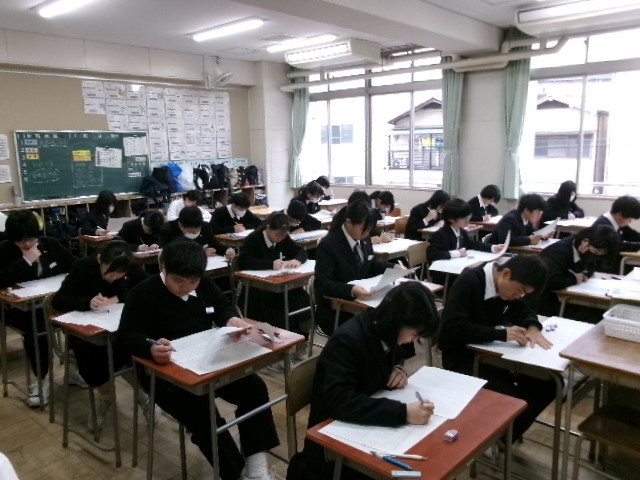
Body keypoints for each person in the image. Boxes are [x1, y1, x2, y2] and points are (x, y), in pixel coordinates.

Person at [117, 240, 279, 480]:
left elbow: (223, 306)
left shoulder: (204, 285)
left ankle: (256, 467)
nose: (184, 288)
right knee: (204, 415)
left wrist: (231, 320)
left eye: (192, 282)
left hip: (208, 362)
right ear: (163, 268)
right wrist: (149, 347)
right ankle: (234, 474)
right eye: (178, 281)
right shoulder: (142, 293)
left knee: (255, 389)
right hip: (164, 375)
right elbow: (126, 336)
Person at [289, 282, 440, 480]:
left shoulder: (384, 332)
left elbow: (385, 362)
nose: (413, 340)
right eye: (414, 334)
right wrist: (403, 413)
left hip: (363, 431)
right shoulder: (347, 341)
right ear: (397, 320)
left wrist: (398, 369)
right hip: (331, 448)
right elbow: (341, 402)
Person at [438, 255, 555, 442]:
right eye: (519, 291)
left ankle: (507, 435)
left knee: (549, 385)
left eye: (524, 294)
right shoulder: (469, 282)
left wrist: (532, 326)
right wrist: (501, 334)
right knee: (523, 403)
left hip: (492, 356)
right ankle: (498, 441)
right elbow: (452, 328)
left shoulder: (505, 286)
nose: (518, 296)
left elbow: (522, 309)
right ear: (506, 274)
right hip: (462, 360)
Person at [52, 240, 153, 430]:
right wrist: (87, 302)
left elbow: (149, 287)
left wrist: (120, 297)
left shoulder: (131, 267)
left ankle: (144, 394)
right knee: (95, 359)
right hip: (87, 334)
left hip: (120, 327)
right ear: (100, 259)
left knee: (138, 345)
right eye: (109, 273)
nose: (114, 278)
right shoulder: (82, 267)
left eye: (119, 274)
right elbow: (59, 300)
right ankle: (105, 399)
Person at [0, 210, 76, 407]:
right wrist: (26, 261)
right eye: (21, 241)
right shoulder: (4, 250)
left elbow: (73, 265)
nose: (27, 244)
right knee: (37, 329)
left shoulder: (51, 244)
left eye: (31, 239)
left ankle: (75, 369)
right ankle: (42, 379)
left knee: (78, 318)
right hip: (18, 310)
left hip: (51, 303)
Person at [314, 201, 400, 335]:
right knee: (379, 329)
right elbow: (322, 283)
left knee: (396, 316)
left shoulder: (364, 239)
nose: (367, 233)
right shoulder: (329, 245)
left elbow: (371, 266)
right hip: (338, 309)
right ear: (349, 222)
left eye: (369, 230)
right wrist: (351, 290)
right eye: (363, 229)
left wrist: (392, 267)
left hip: (363, 303)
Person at [237, 213, 311, 355]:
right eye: (278, 235)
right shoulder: (253, 239)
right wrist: (270, 264)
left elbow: (300, 251)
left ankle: (302, 339)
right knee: (278, 308)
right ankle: (280, 348)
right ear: (268, 228)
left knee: (305, 300)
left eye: (284, 235)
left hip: (281, 284)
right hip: (258, 288)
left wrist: (297, 260)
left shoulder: (282, 237)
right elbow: (243, 262)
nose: (280, 238)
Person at [538, 226, 619, 319]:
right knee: (594, 317)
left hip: (565, 296)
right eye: (596, 253)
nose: (595, 257)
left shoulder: (584, 250)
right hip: (547, 301)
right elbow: (551, 281)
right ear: (585, 241)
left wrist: (585, 275)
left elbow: (592, 266)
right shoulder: (559, 252)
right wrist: (574, 279)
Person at [427, 199, 502, 285]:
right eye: (464, 218)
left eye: (468, 216)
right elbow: (432, 254)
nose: (467, 220)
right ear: (451, 219)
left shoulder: (461, 231)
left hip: (459, 271)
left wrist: (493, 247)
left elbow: (471, 244)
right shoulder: (441, 234)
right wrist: (457, 253)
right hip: (445, 276)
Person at [159, 206, 232, 258]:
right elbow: (172, 255)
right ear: (181, 225)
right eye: (192, 232)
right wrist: (201, 253)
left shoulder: (205, 226)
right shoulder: (168, 230)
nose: (196, 232)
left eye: (198, 229)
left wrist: (227, 250)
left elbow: (214, 245)